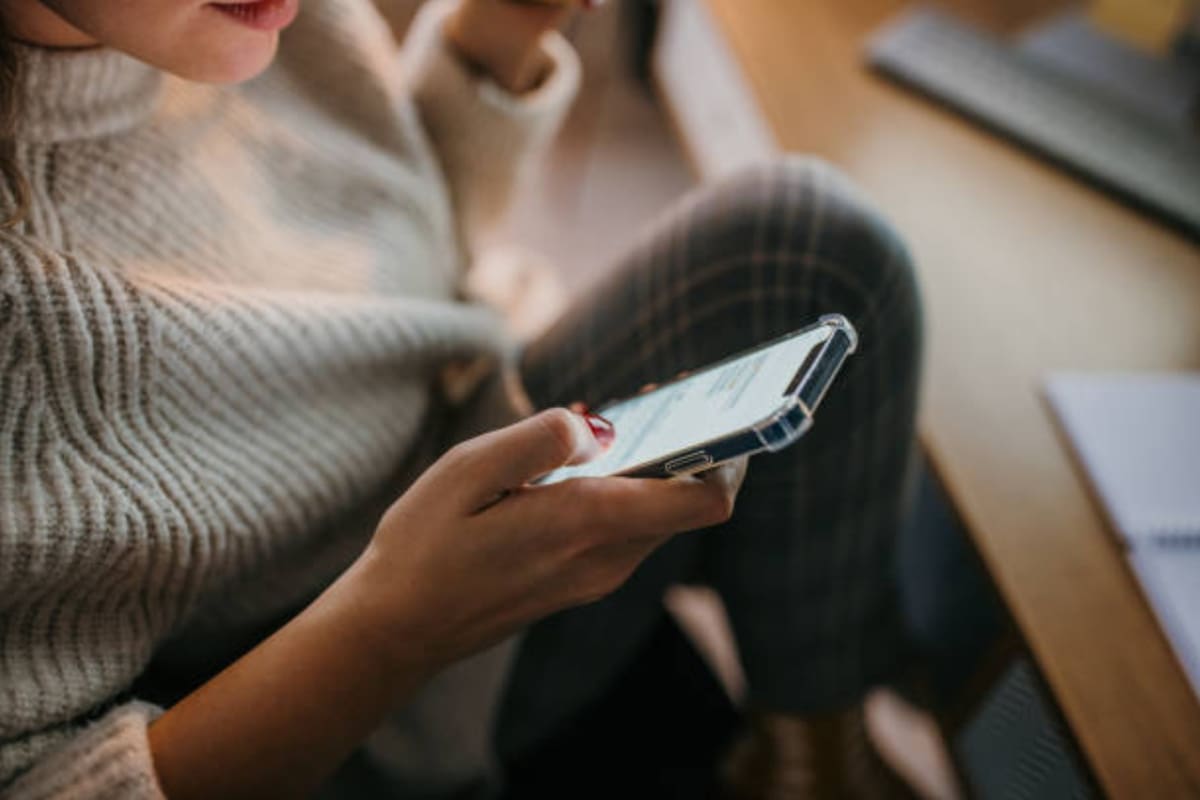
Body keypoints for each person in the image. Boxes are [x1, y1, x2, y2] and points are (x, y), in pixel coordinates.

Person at [0, 0, 923, 797]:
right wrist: (394, 629)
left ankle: (815, 756)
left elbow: (386, 247)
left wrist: (498, 36)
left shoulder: (248, 19)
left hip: (459, 431)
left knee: (816, 246)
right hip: (375, 689)